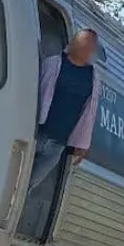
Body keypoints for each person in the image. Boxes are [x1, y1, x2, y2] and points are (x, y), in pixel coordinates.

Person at [28, 28, 102, 192]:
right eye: (83, 42)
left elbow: (89, 112)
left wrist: (83, 143)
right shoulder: (52, 63)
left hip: (57, 144)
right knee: (16, 174)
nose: (86, 48)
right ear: (73, 43)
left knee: (30, 184)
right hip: (34, 131)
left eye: (90, 46)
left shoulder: (93, 77)